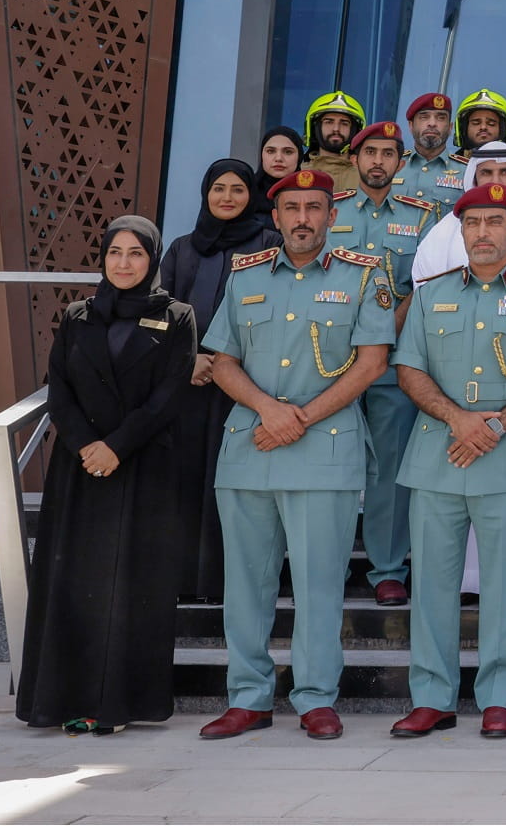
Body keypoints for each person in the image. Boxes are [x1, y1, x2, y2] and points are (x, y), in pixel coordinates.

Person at [197, 169, 393, 740]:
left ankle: (314, 698)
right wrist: (268, 409)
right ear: (276, 217)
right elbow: (222, 359)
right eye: (292, 208)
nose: (303, 217)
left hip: (323, 452)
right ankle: (249, 697)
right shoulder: (245, 275)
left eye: (314, 207)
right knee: (246, 584)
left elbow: (372, 363)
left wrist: (297, 418)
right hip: (249, 451)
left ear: (333, 217)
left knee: (318, 584)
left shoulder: (364, 277)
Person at [387, 182, 506, 739]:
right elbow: (409, 370)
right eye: (473, 223)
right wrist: (460, 419)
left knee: (504, 586)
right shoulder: (429, 295)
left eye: (495, 222)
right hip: (438, 457)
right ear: (461, 231)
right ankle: (432, 697)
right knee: (432, 585)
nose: (483, 233)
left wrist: (494, 425)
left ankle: (499, 697)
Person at [18, 216, 197, 735]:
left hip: (143, 468)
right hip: (81, 471)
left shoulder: (177, 316)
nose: (123, 263)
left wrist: (116, 446)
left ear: (153, 260)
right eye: (115, 252)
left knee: (130, 586)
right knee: (74, 584)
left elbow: (169, 395)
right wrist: (87, 446)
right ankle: (63, 700)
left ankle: (116, 704)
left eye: (136, 254)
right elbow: (60, 392)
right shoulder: (77, 315)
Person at [161, 160, 282, 602]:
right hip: (189, 385)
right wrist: (189, 359)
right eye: (218, 188)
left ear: (252, 195)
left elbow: (276, 309)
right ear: (205, 193)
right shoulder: (182, 248)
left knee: (231, 485)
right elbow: (160, 313)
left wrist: (229, 364)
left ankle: (224, 583)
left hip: (246, 388)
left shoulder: (269, 242)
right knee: (187, 480)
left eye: (237, 189)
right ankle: (180, 581)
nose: (227, 197)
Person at [332, 121, 441, 606]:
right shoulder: (328, 211)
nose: (378, 161)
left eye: (388, 154)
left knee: (389, 470)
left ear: (401, 164)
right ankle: (326, 563)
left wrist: (384, 331)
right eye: (370, 152)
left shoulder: (423, 217)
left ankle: (388, 569)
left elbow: (426, 283)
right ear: (355, 160)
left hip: (394, 363)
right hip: (330, 361)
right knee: (328, 464)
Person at [411, 144, 506, 282]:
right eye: (486, 173)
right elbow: (426, 288)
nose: (496, 182)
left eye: (505, 172)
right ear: (474, 180)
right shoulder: (445, 230)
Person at [399, 93, 466, 213]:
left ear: (450, 128)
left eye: (441, 118)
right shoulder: (391, 166)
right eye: (424, 117)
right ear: (411, 126)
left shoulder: (467, 171)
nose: (432, 123)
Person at [300, 91, 365, 193]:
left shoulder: (368, 178)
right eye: (329, 122)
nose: (336, 129)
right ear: (314, 129)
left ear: (356, 131)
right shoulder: (298, 175)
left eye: (344, 123)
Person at [251, 126, 304, 227]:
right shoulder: (244, 193)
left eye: (288, 152)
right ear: (262, 155)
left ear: (299, 156)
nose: (279, 158)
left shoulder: (310, 195)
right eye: (271, 151)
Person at [454, 88, 506, 156]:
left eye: (491, 123)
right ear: (463, 129)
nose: (483, 127)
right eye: (476, 123)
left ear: (504, 129)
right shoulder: (449, 165)